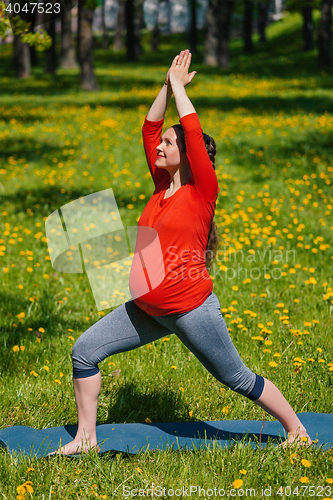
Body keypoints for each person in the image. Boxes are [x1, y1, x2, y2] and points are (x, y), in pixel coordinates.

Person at [50, 50, 311, 455]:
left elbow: (189, 126)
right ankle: (86, 439)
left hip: (190, 310)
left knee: (236, 377)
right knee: (84, 352)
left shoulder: (202, 190)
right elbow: (150, 127)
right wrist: (165, 85)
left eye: (170, 144)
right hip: (146, 308)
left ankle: (295, 428)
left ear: (188, 154)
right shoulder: (161, 185)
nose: (159, 147)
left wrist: (179, 90)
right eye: (163, 143)